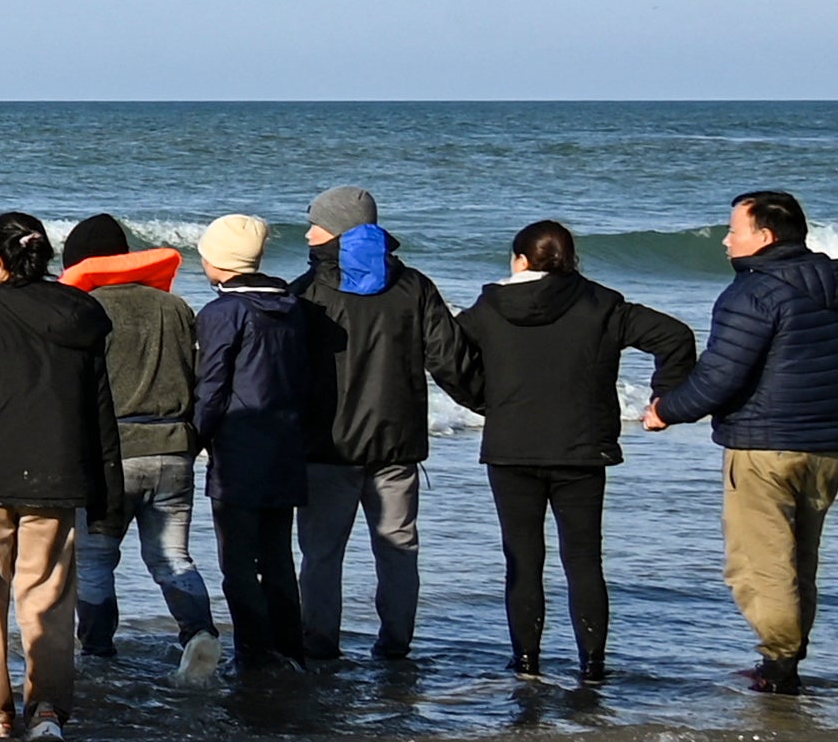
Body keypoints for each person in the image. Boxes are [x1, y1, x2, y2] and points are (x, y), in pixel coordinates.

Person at [438, 220, 694, 684]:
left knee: (522, 558)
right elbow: (674, 336)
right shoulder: (600, 303)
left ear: (519, 261)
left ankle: (525, 664)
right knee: (583, 560)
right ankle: (592, 666)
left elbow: (445, 357)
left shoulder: (488, 308)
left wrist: (486, 400)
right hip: (581, 449)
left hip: (512, 447)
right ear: (571, 260)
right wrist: (665, 399)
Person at [648, 190, 838, 693]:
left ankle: (779, 667)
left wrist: (665, 410)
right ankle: (784, 663)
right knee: (798, 563)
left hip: (762, 446)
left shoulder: (752, 293)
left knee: (758, 566)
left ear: (764, 237)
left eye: (735, 230)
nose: (726, 240)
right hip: (823, 444)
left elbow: (720, 379)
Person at [0, 212, 124, 742]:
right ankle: (49, 712)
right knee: (49, 599)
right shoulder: (84, 314)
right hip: (59, 478)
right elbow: (98, 412)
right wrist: (106, 491)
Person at [294, 186, 463, 671]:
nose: (307, 233)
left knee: (322, 554)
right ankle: (394, 647)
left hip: (328, 447)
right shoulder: (413, 287)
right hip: (396, 445)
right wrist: (492, 403)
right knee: (398, 548)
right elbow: (448, 359)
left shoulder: (307, 292)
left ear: (341, 228)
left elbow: (282, 369)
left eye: (317, 223)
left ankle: (320, 646)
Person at [57, 216, 215, 669]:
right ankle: (199, 634)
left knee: (95, 562)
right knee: (172, 557)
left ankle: (98, 651)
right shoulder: (176, 308)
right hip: (172, 451)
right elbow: (198, 378)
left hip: (111, 457)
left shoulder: (86, 310)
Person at [189, 212, 331, 675]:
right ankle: (289, 650)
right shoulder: (293, 308)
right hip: (285, 447)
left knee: (238, 565)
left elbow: (211, 388)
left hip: (239, 452)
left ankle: (254, 651)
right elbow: (308, 382)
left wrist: (194, 438)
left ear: (221, 263)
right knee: (277, 558)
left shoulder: (222, 313)